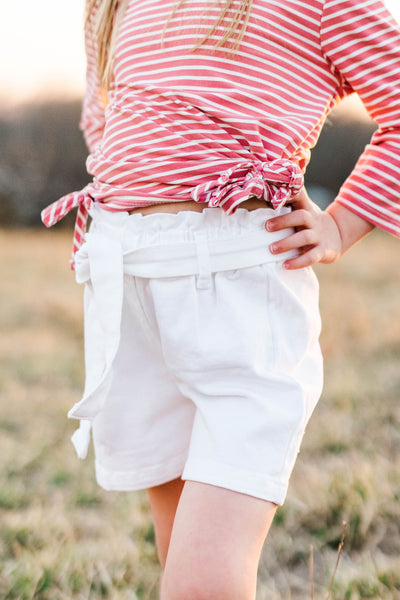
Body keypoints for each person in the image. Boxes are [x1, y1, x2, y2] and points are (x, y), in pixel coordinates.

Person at [41, 0, 400, 597]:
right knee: (177, 547)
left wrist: (342, 224)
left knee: (204, 571)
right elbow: (104, 116)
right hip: (127, 279)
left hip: (235, 282)